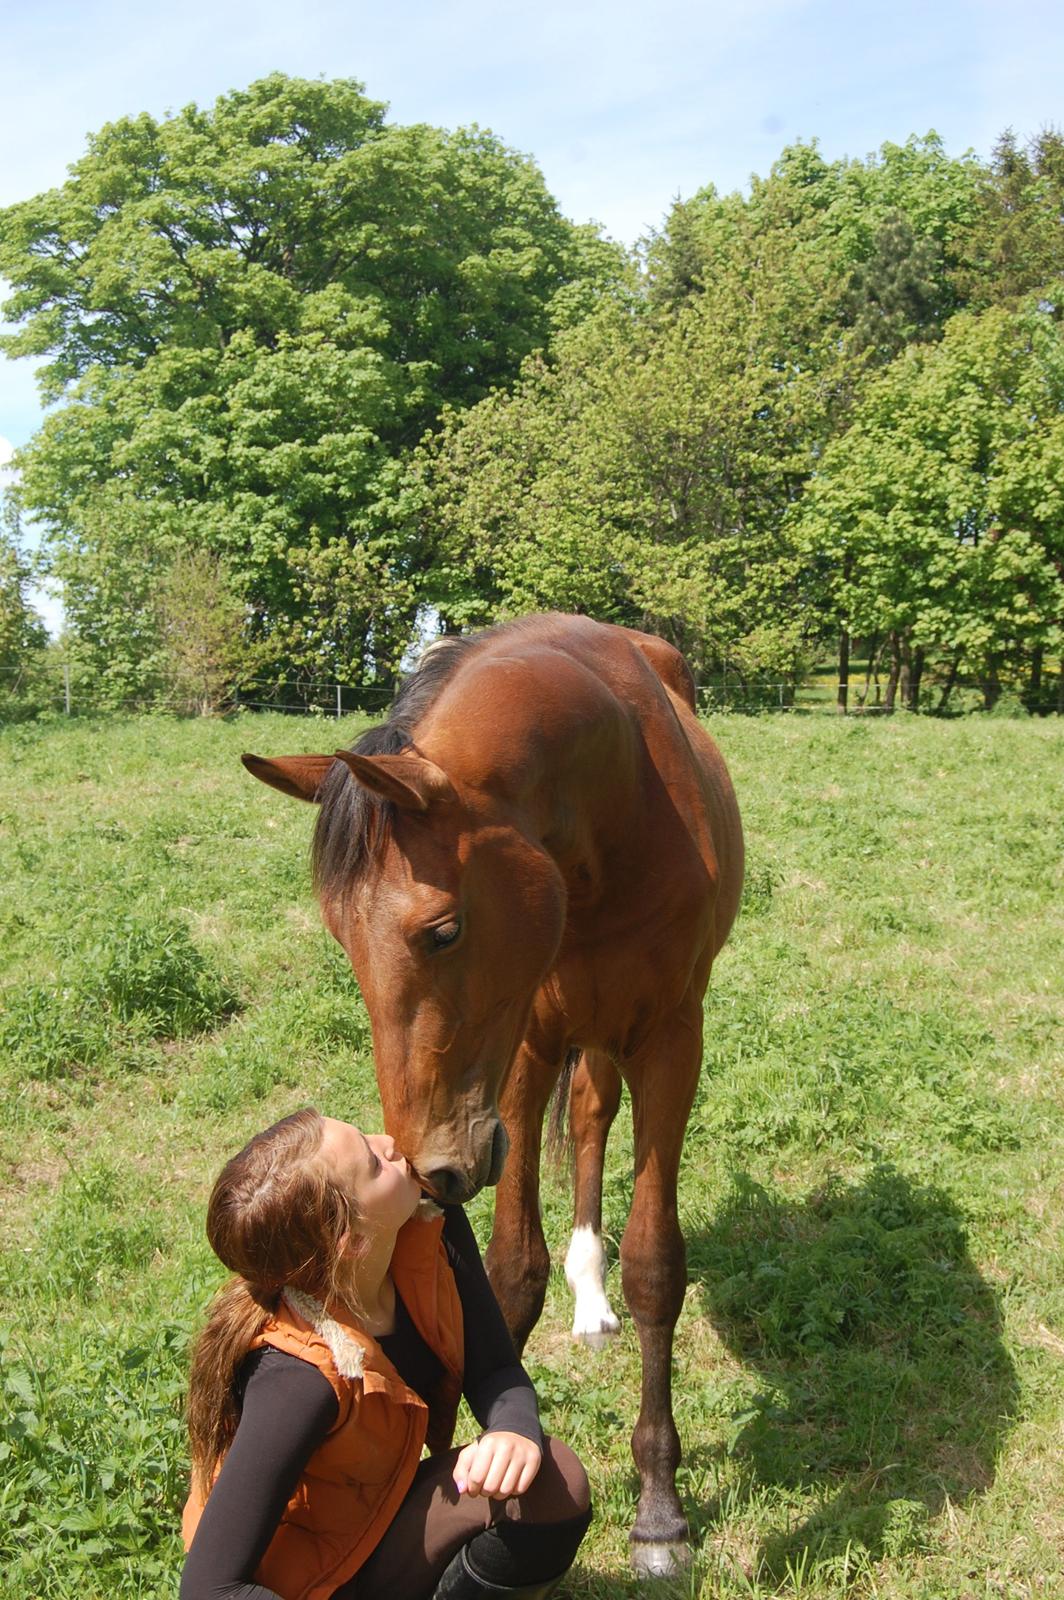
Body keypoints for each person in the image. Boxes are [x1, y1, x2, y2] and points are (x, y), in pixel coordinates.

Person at [180, 1108, 591, 1600]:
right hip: (312, 1584)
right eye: (373, 1163)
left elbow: (496, 1368)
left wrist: (512, 1430)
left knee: (552, 1481)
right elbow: (209, 1588)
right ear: (349, 1240)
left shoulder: (429, 1229)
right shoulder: (296, 1378)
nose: (390, 1142)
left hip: (375, 1525)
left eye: (365, 1133)